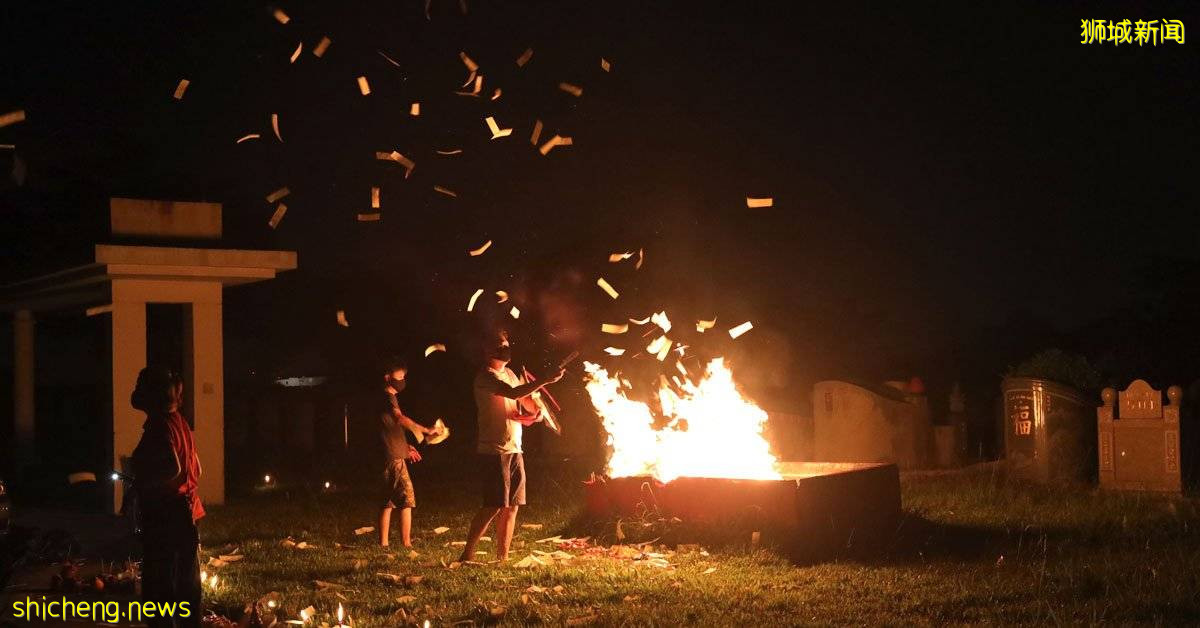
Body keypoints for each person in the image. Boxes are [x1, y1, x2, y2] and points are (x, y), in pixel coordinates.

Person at [458, 331, 563, 562]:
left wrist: (536, 411)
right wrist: (544, 379)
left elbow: (522, 399)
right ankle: (467, 553)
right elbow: (513, 393)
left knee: (512, 506)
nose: (505, 348)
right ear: (487, 351)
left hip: (515, 448)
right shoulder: (485, 377)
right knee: (493, 505)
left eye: (506, 344)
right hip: (494, 450)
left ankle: (502, 557)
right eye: (499, 346)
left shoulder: (510, 374)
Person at [129, 366, 203, 628]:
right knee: (185, 582)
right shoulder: (180, 422)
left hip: (165, 515)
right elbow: (196, 468)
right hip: (186, 512)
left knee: (160, 583)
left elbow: (174, 468)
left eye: (140, 385)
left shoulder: (160, 426)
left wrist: (146, 484)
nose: (135, 390)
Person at [378, 358, 435, 548]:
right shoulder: (387, 396)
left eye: (404, 376)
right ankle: (406, 544)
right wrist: (425, 430)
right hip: (393, 456)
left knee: (387, 501)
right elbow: (399, 418)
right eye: (399, 376)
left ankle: (384, 544)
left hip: (389, 453)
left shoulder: (385, 397)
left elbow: (390, 428)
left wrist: (407, 447)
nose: (402, 379)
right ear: (388, 377)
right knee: (407, 499)